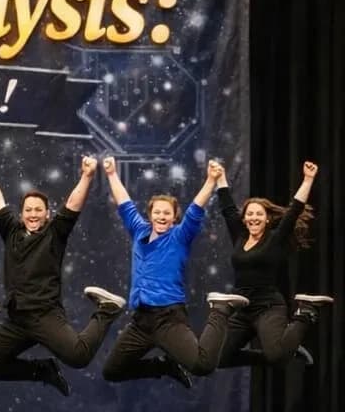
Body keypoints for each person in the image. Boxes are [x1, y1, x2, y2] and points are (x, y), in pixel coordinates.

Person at [0, 153, 126, 396]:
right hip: (17, 318)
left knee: (79, 357)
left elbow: (73, 205)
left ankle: (107, 310)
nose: (33, 214)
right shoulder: (12, 231)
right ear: (21, 214)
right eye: (28, 210)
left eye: (38, 210)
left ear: (47, 214)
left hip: (45, 315)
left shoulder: (54, 233)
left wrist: (87, 176)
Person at [100, 156, 247, 388]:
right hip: (141, 321)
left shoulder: (179, 236)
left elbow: (195, 210)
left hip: (168, 318)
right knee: (112, 371)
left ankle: (220, 311)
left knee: (203, 365)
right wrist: (111, 174)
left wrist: (211, 180)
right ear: (150, 215)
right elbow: (124, 202)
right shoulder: (139, 230)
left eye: (167, 213)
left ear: (174, 217)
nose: (161, 216)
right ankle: (164, 366)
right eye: (157, 212)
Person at [214, 160, 332, 369]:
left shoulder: (275, 239)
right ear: (244, 219)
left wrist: (308, 179)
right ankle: (288, 349)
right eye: (250, 214)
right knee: (217, 359)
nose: (254, 217)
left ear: (267, 219)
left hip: (268, 307)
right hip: (243, 309)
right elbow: (228, 208)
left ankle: (304, 314)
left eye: (259, 214)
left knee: (277, 357)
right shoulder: (240, 237)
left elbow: (294, 210)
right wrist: (220, 177)